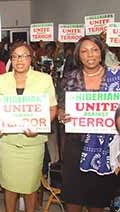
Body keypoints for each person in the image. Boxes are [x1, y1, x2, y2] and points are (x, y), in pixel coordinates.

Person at [58, 35, 120, 212]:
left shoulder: (116, 76)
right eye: (84, 51)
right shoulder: (70, 77)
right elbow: (61, 107)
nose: (90, 55)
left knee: (97, 200)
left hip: (105, 147)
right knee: (73, 197)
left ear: (102, 52)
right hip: (75, 145)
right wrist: (62, 115)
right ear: (78, 56)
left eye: (94, 50)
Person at [0, 43, 57, 212]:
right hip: (8, 143)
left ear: (31, 58)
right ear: (11, 59)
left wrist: (40, 124)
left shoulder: (44, 79)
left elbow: (52, 109)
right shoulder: (2, 79)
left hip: (33, 144)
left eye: (23, 56)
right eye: (14, 56)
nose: (19, 60)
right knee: (9, 187)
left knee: (30, 188)